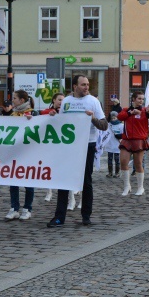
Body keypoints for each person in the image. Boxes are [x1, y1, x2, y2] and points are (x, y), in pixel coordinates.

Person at [47, 75, 107, 227]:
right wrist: (53, 116)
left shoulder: (93, 101)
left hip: (88, 145)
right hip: (69, 146)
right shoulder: (67, 101)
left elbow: (104, 125)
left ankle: (86, 215)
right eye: (83, 85)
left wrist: (93, 119)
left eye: (87, 84)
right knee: (64, 180)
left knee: (86, 181)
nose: (86, 87)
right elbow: (61, 124)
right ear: (74, 86)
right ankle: (59, 217)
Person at [2, 90, 38, 221]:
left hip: (28, 153)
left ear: (22, 100)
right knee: (13, 180)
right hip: (15, 152)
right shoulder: (13, 114)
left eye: (15, 98)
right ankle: (14, 208)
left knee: (28, 181)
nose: (13, 101)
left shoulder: (33, 113)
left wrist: (32, 121)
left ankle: (27, 208)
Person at [118, 91, 149, 196]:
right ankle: (127, 186)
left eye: (142, 99)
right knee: (123, 162)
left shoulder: (145, 111)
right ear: (133, 99)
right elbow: (120, 117)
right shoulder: (126, 110)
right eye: (139, 99)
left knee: (138, 163)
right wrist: (130, 112)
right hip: (127, 139)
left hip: (139, 139)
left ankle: (140, 187)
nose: (141, 101)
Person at [40, 93, 65, 202]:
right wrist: (50, 114)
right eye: (59, 100)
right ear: (54, 100)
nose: (61, 102)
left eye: (63, 100)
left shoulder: (66, 112)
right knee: (48, 167)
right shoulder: (48, 111)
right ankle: (49, 191)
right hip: (50, 143)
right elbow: (42, 114)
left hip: (63, 144)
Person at [105, 111, 123, 178]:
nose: (113, 119)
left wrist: (119, 136)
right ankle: (110, 172)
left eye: (114, 118)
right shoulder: (108, 125)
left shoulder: (121, 126)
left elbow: (123, 134)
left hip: (117, 145)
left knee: (117, 159)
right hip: (109, 145)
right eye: (112, 118)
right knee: (109, 159)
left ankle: (117, 172)